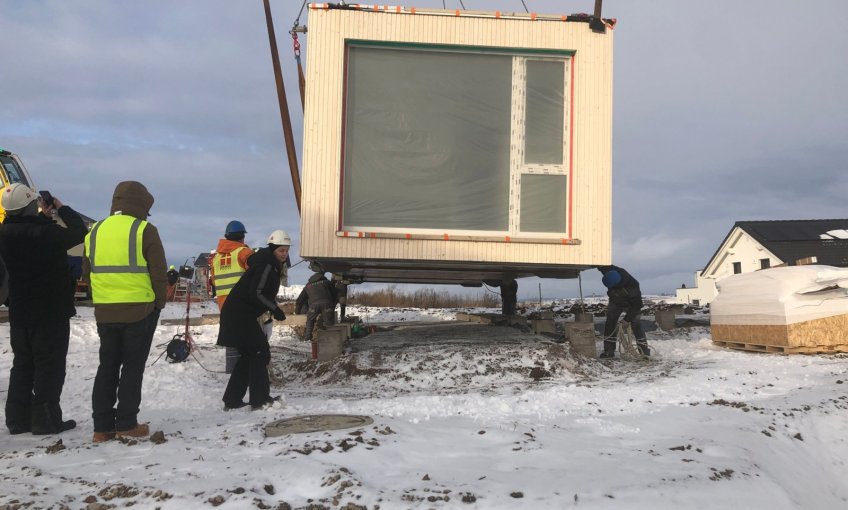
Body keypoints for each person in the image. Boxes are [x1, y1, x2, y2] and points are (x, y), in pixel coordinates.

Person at [84, 181, 167, 443]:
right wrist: (159, 303)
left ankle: (102, 428)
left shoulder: (94, 231)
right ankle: (127, 424)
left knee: (107, 366)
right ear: (142, 204)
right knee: (132, 368)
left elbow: (87, 274)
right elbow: (158, 272)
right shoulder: (145, 229)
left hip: (106, 312)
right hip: (139, 311)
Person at [0, 184, 86, 435]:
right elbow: (79, 232)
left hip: (19, 311)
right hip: (50, 312)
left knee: (23, 364)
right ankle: (45, 420)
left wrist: (41, 218)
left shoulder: (4, 233)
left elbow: (23, 230)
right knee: (49, 366)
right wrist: (61, 208)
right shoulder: (47, 234)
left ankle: (16, 419)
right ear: (30, 206)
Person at [217, 229, 290, 411]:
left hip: (238, 314)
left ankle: (232, 400)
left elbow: (260, 292)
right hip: (239, 315)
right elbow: (256, 293)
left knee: (249, 355)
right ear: (273, 248)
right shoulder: (266, 265)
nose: (284, 254)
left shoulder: (269, 263)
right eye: (281, 250)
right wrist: (275, 309)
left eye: (287, 250)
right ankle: (260, 400)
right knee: (259, 351)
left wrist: (272, 306)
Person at [211, 220, 252, 373]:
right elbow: (255, 276)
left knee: (232, 338)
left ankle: (233, 370)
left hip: (224, 305)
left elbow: (215, 281)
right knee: (248, 340)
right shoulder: (244, 253)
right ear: (242, 237)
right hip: (243, 305)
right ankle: (244, 373)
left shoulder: (216, 258)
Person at [597, 265, 650, 358]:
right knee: (610, 322)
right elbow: (600, 263)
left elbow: (636, 307)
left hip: (631, 304)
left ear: (617, 284)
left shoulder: (633, 288)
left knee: (636, 324)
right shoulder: (608, 270)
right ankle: (609, 351)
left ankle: (644, 352)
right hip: (616, 300)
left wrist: (626, 320)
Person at [296, 270, 338, 342]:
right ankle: (331, 339)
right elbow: (335, 293)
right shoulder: (326, 282)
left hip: (313, 306)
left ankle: (308, 338)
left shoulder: (307, 286)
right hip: (326, 304)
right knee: (328, 322)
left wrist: (297, 312)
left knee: (310, 321)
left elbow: (299, 300)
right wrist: (332, 305)